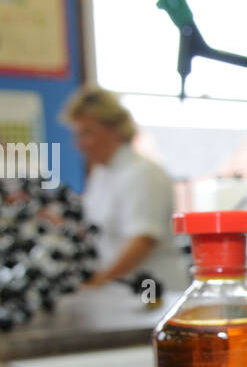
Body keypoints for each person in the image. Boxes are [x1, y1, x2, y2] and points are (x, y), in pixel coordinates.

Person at [60, 87, 188, 292]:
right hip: (121, 289)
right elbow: (93, 227)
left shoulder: (144, 173)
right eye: (78, 135)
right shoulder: (101, 174)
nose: (80, 144)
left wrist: (101, 280)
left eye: (87, 133)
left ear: (115, 129)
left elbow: (144, 239)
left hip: (152, 290)